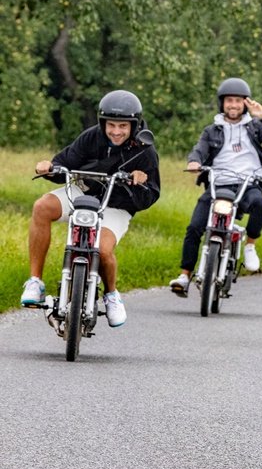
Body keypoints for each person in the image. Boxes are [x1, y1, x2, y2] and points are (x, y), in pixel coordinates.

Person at [22, 90, 160, 326]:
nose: (116, 132)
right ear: (103, 123)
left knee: (103, 251)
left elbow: (152, 195)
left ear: (134, 125)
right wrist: (48, 166)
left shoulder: (145, 150)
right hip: (83, 192)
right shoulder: (91, 137)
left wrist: (140, 181)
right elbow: (63, 163)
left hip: (117, 205)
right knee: (42, 206)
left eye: (123, 126)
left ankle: (111, 295)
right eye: (111, 125)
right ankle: (35, 281)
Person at [169, 78, 262, 296]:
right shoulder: (211, 131)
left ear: (245, 103)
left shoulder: (255, 127)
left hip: (247, 185)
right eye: (229, 101)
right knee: (195, 226)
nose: (233, 105)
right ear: (221, 104)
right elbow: (199, 149)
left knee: (260, 203)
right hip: (218, 185)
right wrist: (194, 162)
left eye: (238, 101)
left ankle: (250, 246)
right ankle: (184, 276)